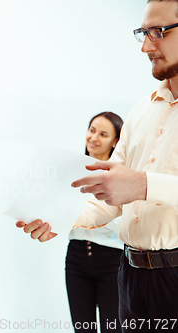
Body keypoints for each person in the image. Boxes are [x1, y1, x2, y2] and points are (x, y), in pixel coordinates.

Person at [17, 0, 178, 330]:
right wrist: (59, 217)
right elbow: (108, 194)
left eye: (159, 32)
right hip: (131, 275)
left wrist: (144, 185)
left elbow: (134, 185)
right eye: (143, 33)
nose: (147, 46)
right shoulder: (141, 112)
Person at [66, 112, 123, 333]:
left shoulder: (120, 175)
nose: (94, 137)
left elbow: (118, 219)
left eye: (103, 134)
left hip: (111, 259)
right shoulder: (70, 171)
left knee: (113, 328)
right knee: (82, 329)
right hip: (76, 257)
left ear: (116, 141)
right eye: (92, 130)